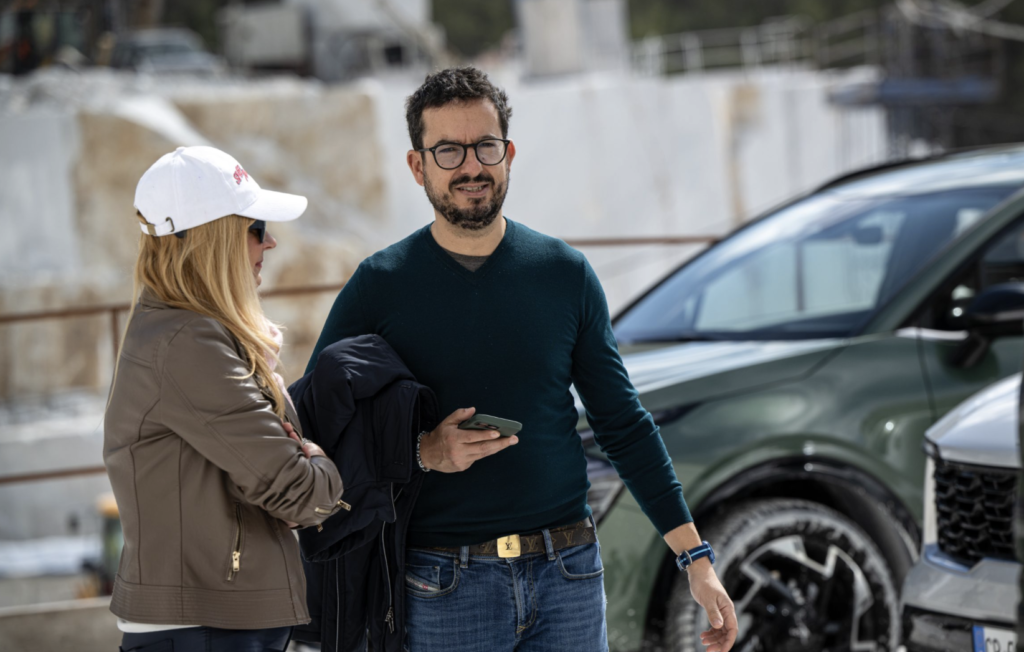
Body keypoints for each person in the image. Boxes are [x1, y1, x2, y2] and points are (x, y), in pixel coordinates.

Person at [307, 68, 737, 652]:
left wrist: (696, 558)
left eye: (485, 146)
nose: (471, 167)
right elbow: (318, 426)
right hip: (442, 584)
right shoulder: (378, 286)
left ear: (508, 155)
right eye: (448, 151)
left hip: (569, 575)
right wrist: (421, 452)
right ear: (418, 166)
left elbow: (622, 423)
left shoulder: (564, 274)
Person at [104, 146, 346, 652]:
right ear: (213, 238)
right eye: (256, 227)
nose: (270, 241)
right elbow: (303, 494)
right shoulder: (187, 343)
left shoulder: (182, 332)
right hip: (205, 628)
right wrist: (319, 464)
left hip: (210, 622)